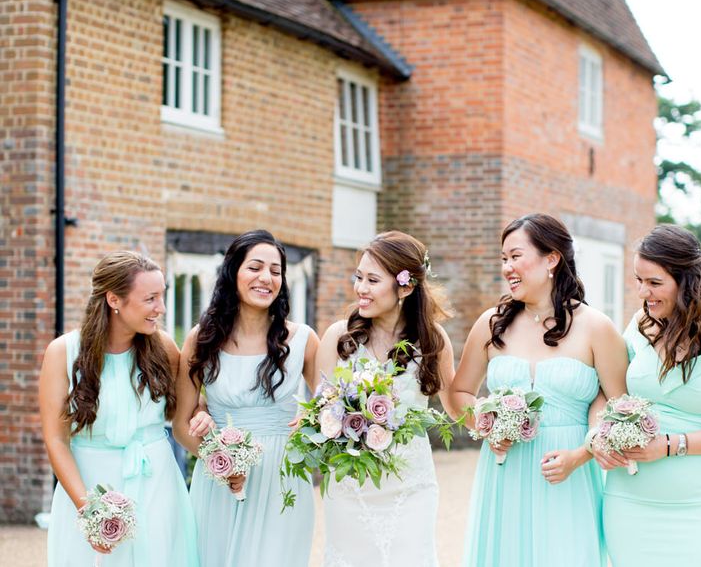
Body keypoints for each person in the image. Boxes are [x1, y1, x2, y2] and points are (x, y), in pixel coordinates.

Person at [450, 213, 628, 566]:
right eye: (503, 259)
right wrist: (485, 425)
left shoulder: (596, 327)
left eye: (516, 256)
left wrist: (582, 454)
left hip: (567, 476)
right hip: (505, 473)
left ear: (551, 259)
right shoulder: (491, 324)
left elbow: (617, 405)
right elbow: (459, 394)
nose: (507, 268)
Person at [598, 224, 701, 567]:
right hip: (630, 503)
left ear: (687, 281)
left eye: (655, 282)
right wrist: (597, 436)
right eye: (639, 280)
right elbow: (608, 394)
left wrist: (670, 445)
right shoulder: (637, 328)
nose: (644, 292)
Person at [40, 251, 198, 566]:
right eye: (150, 299)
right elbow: (56, 439)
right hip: (88, 482)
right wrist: (90, 510)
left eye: (162, 296)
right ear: (114, 299)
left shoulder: (164, 346)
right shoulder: (63, 352)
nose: (161, 308)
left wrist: (202, 415)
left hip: (156, 481)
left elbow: (188, 408)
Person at [174, 230, 319, 567]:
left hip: (283, 479)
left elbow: (331, 408)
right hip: (221, 481)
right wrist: (219, 461)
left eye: (275, 271)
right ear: (233, 272)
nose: (266, 278)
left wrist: (311, 427)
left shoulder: (303, 340)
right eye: (255, 267)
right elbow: (181, 425)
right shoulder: (202, 339)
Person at [317, 230, 457, 567]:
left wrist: (494, 420)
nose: (361, 289)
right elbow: (320, 409)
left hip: (410, 486)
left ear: (405, 287)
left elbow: (456, 405)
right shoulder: (339, 337)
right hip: (351, 486)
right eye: (359, 277)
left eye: (372, 280)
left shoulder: (433, 341)